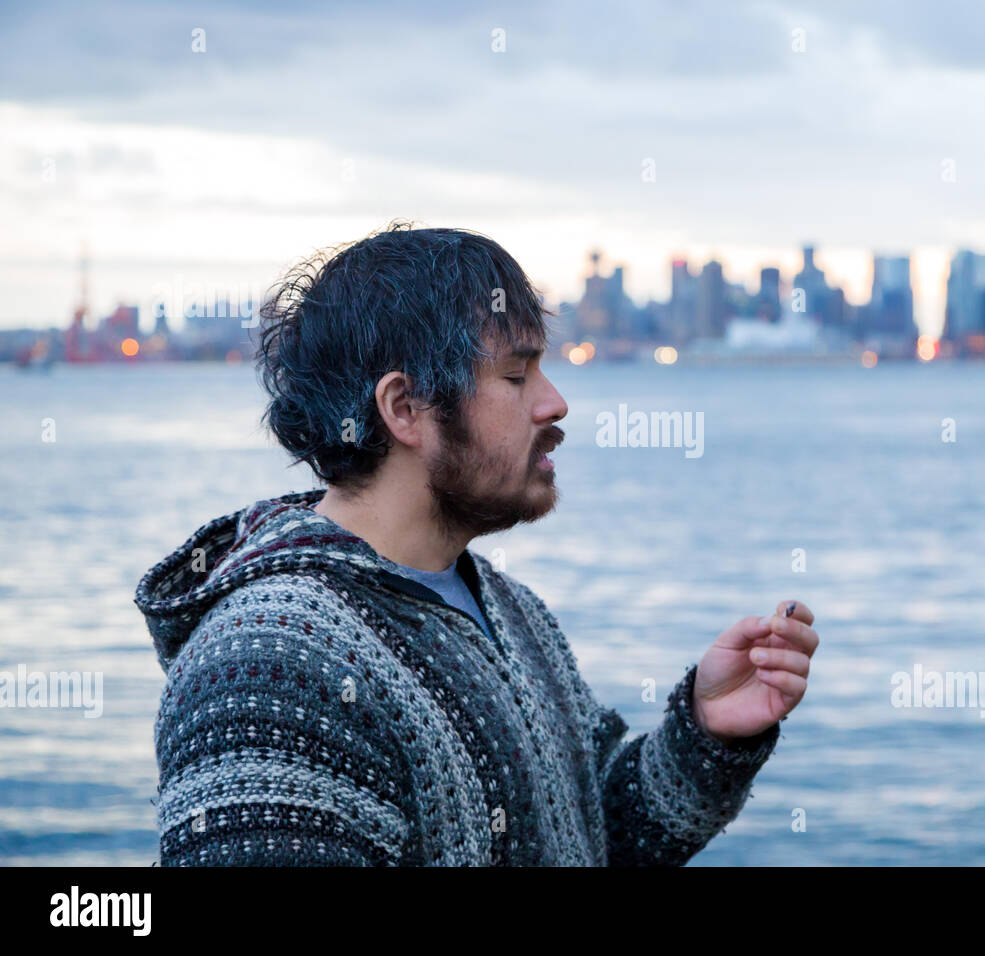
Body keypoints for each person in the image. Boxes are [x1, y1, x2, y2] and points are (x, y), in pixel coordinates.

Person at [135, 222, 818, 866]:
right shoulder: (268, 669)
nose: (554, 403)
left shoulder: (511, 612)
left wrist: (705, 732)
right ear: (404, 409)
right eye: (516, 376)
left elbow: (593, 832)